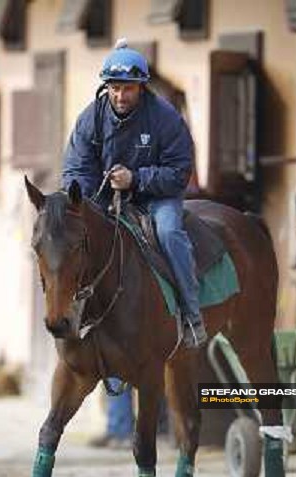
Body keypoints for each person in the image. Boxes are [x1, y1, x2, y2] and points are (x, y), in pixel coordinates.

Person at [62, 38, 207, 348]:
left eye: (127, 88)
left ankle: (192, 315)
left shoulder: (165, 117)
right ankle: (78, 314)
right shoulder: (91, 118)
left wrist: (136, 179)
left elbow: (180, 172)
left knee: (169, 232)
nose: (120, 95)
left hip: (157, 197)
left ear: (142, 86)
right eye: (114, 87)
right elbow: (76, 168)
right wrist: (83, 200)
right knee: (74, 239)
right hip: (104, 198)